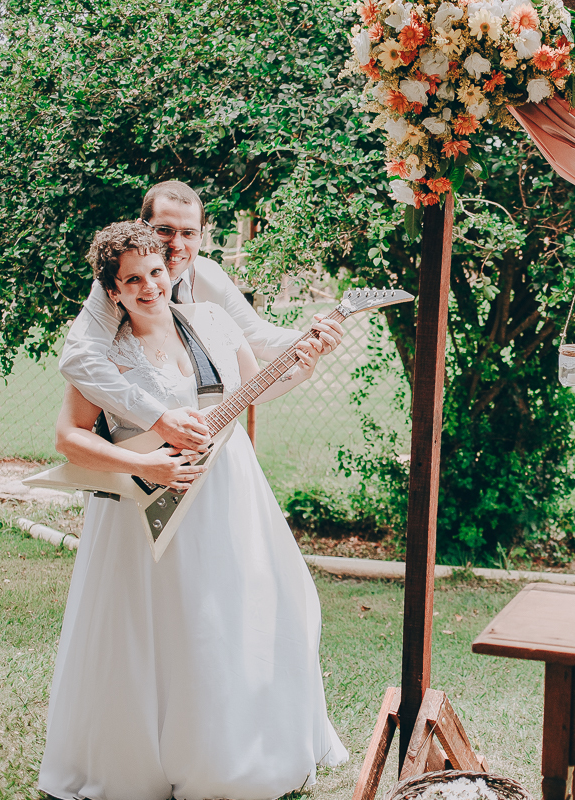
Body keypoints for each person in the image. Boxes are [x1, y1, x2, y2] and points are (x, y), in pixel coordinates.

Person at [38, 221, 348, 800]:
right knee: (163, 625)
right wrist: (146, 465)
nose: (149, 286)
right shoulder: (104, 353)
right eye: (133, 280)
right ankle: (148, 760)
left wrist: (305, 362)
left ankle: (234, 752)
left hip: (229, 493)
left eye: (156, 272)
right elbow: (68, 438)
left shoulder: (209, 320)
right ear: (113, 292)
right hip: (146, 507)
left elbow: (254, 388)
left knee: (237, 613)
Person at [59, 180, 342, 454]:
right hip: (144, 445)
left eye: (189, 233)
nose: (177, 245)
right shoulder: (115, 288)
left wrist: (313, 338)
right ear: (142, 227)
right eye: (164, 230)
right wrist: (158, 419)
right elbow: (80, 359)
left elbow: (254, 335)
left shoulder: (210, 276)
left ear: (202, 235)